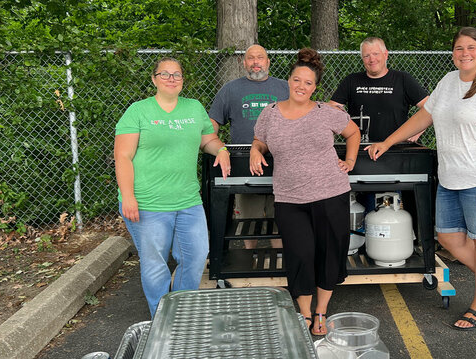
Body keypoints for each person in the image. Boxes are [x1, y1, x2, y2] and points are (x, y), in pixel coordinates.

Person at [366, 27, 476, 331]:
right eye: (459, 48)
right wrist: (389, 141)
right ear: (453, 53)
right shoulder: (449, 82)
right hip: (451, 178)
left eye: (471, 48)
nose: (465, 53)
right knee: (448, 237)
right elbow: (424, 117)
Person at [249, 48, 360, 336]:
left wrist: (349, 161)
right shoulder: (269, 113)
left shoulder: (327, 113)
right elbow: (260, 141)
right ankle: (306, 313)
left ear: (315, 87)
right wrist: (254, 151)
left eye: (308, 83)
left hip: (330, 194)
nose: (301, 86)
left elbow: (353, 133)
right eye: (297, 80)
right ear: (288, 81)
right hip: (290, 199)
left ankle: (321, 311)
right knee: (300, 254)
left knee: (328, 253)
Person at [114, 57, 231, 317]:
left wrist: (221, 149)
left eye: (177, 74)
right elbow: (122, 156)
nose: (171, 79)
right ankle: (161, 317)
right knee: (155, 264)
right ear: (154, 79)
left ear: (183, 80)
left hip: (188, 200)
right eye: (165, 74)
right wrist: (129, 197)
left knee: (197, 255)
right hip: (148, 202)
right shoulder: (138, 111)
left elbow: (207, 139)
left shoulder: (193, 108)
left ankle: (182, 310)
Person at [209, 44, 289, 250]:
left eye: (260, 58)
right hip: (243, 161)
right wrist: (212, 144)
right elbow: (213, 123)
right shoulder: (231, 89)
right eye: (251, 58)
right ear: (244, 63)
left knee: (280, 216)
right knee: (248, 218)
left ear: (268, 62)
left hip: (281, 161)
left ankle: (280, 259)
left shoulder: (285, 88)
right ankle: (249, 257)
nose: (256, 62)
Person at [329, 37, 429, 143]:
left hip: (396, 148)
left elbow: (430, 108)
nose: (372, 59)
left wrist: (416, 131)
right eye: (366, 56)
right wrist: (347, 131)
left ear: (386, 55)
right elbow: (332, 108)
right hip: (359, 148)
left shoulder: (402, 79)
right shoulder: (351, 80)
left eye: (376, 54)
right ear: (362, 58)